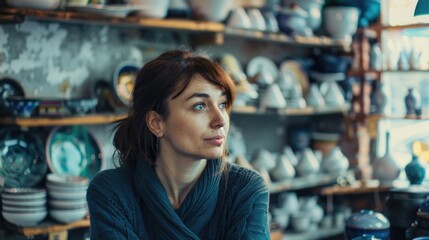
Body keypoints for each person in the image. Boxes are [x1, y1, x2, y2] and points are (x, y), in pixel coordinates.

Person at [86, 50, 270, 239]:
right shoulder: (111, 193)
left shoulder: (246, 190)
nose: (220, 120)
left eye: (222, 104)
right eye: (200, 106)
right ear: (156, 123)